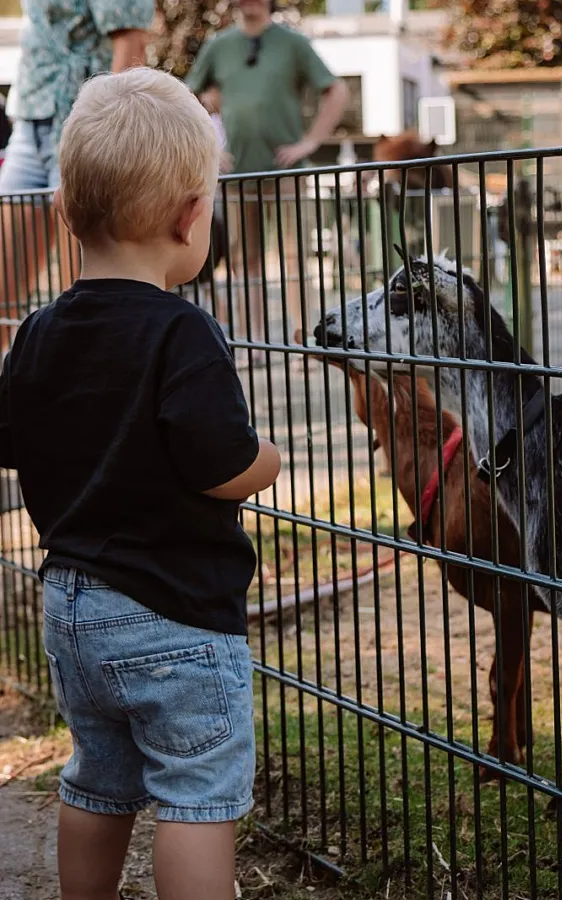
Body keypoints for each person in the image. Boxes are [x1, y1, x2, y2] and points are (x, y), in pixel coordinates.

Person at [0, 68, 281, 900]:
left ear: (62, 212)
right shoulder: (183, 334)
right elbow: (219, 463)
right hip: (175, 616)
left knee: (97, 782)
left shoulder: (41, 331)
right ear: (193, 218)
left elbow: (11, 438)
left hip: (74, 611)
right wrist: (268, 459)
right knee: (196, 799)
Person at [186, 0, 349, 348]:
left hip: (286, 173)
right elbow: (186, 98)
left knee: (294, 259)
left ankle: (303, 343)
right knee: (243, 263)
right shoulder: (219, 46)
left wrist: (310, 142)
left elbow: (336, 90)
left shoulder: (293, 43)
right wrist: (210, 149)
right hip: (237, 177)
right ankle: (253, 343)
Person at [0, 0, 155, 355]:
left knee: (87, 289)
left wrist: (106, 134)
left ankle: (95, 384)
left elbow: (130, 41)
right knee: (4, 289)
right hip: (31, 118)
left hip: (82, 124)